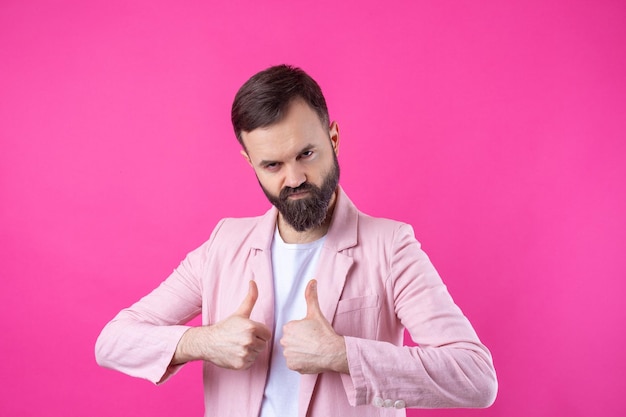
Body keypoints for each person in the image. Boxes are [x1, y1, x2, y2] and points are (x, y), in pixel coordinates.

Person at [95, 64, 497, 417]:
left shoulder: (390, 246)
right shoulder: (223, 245)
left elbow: (476, 377)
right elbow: (113, 342)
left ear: (334, 139)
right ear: (250, 163)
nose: (294, 178)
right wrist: (203, 341)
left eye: (307, 153)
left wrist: (343, 354)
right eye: (272, 164)